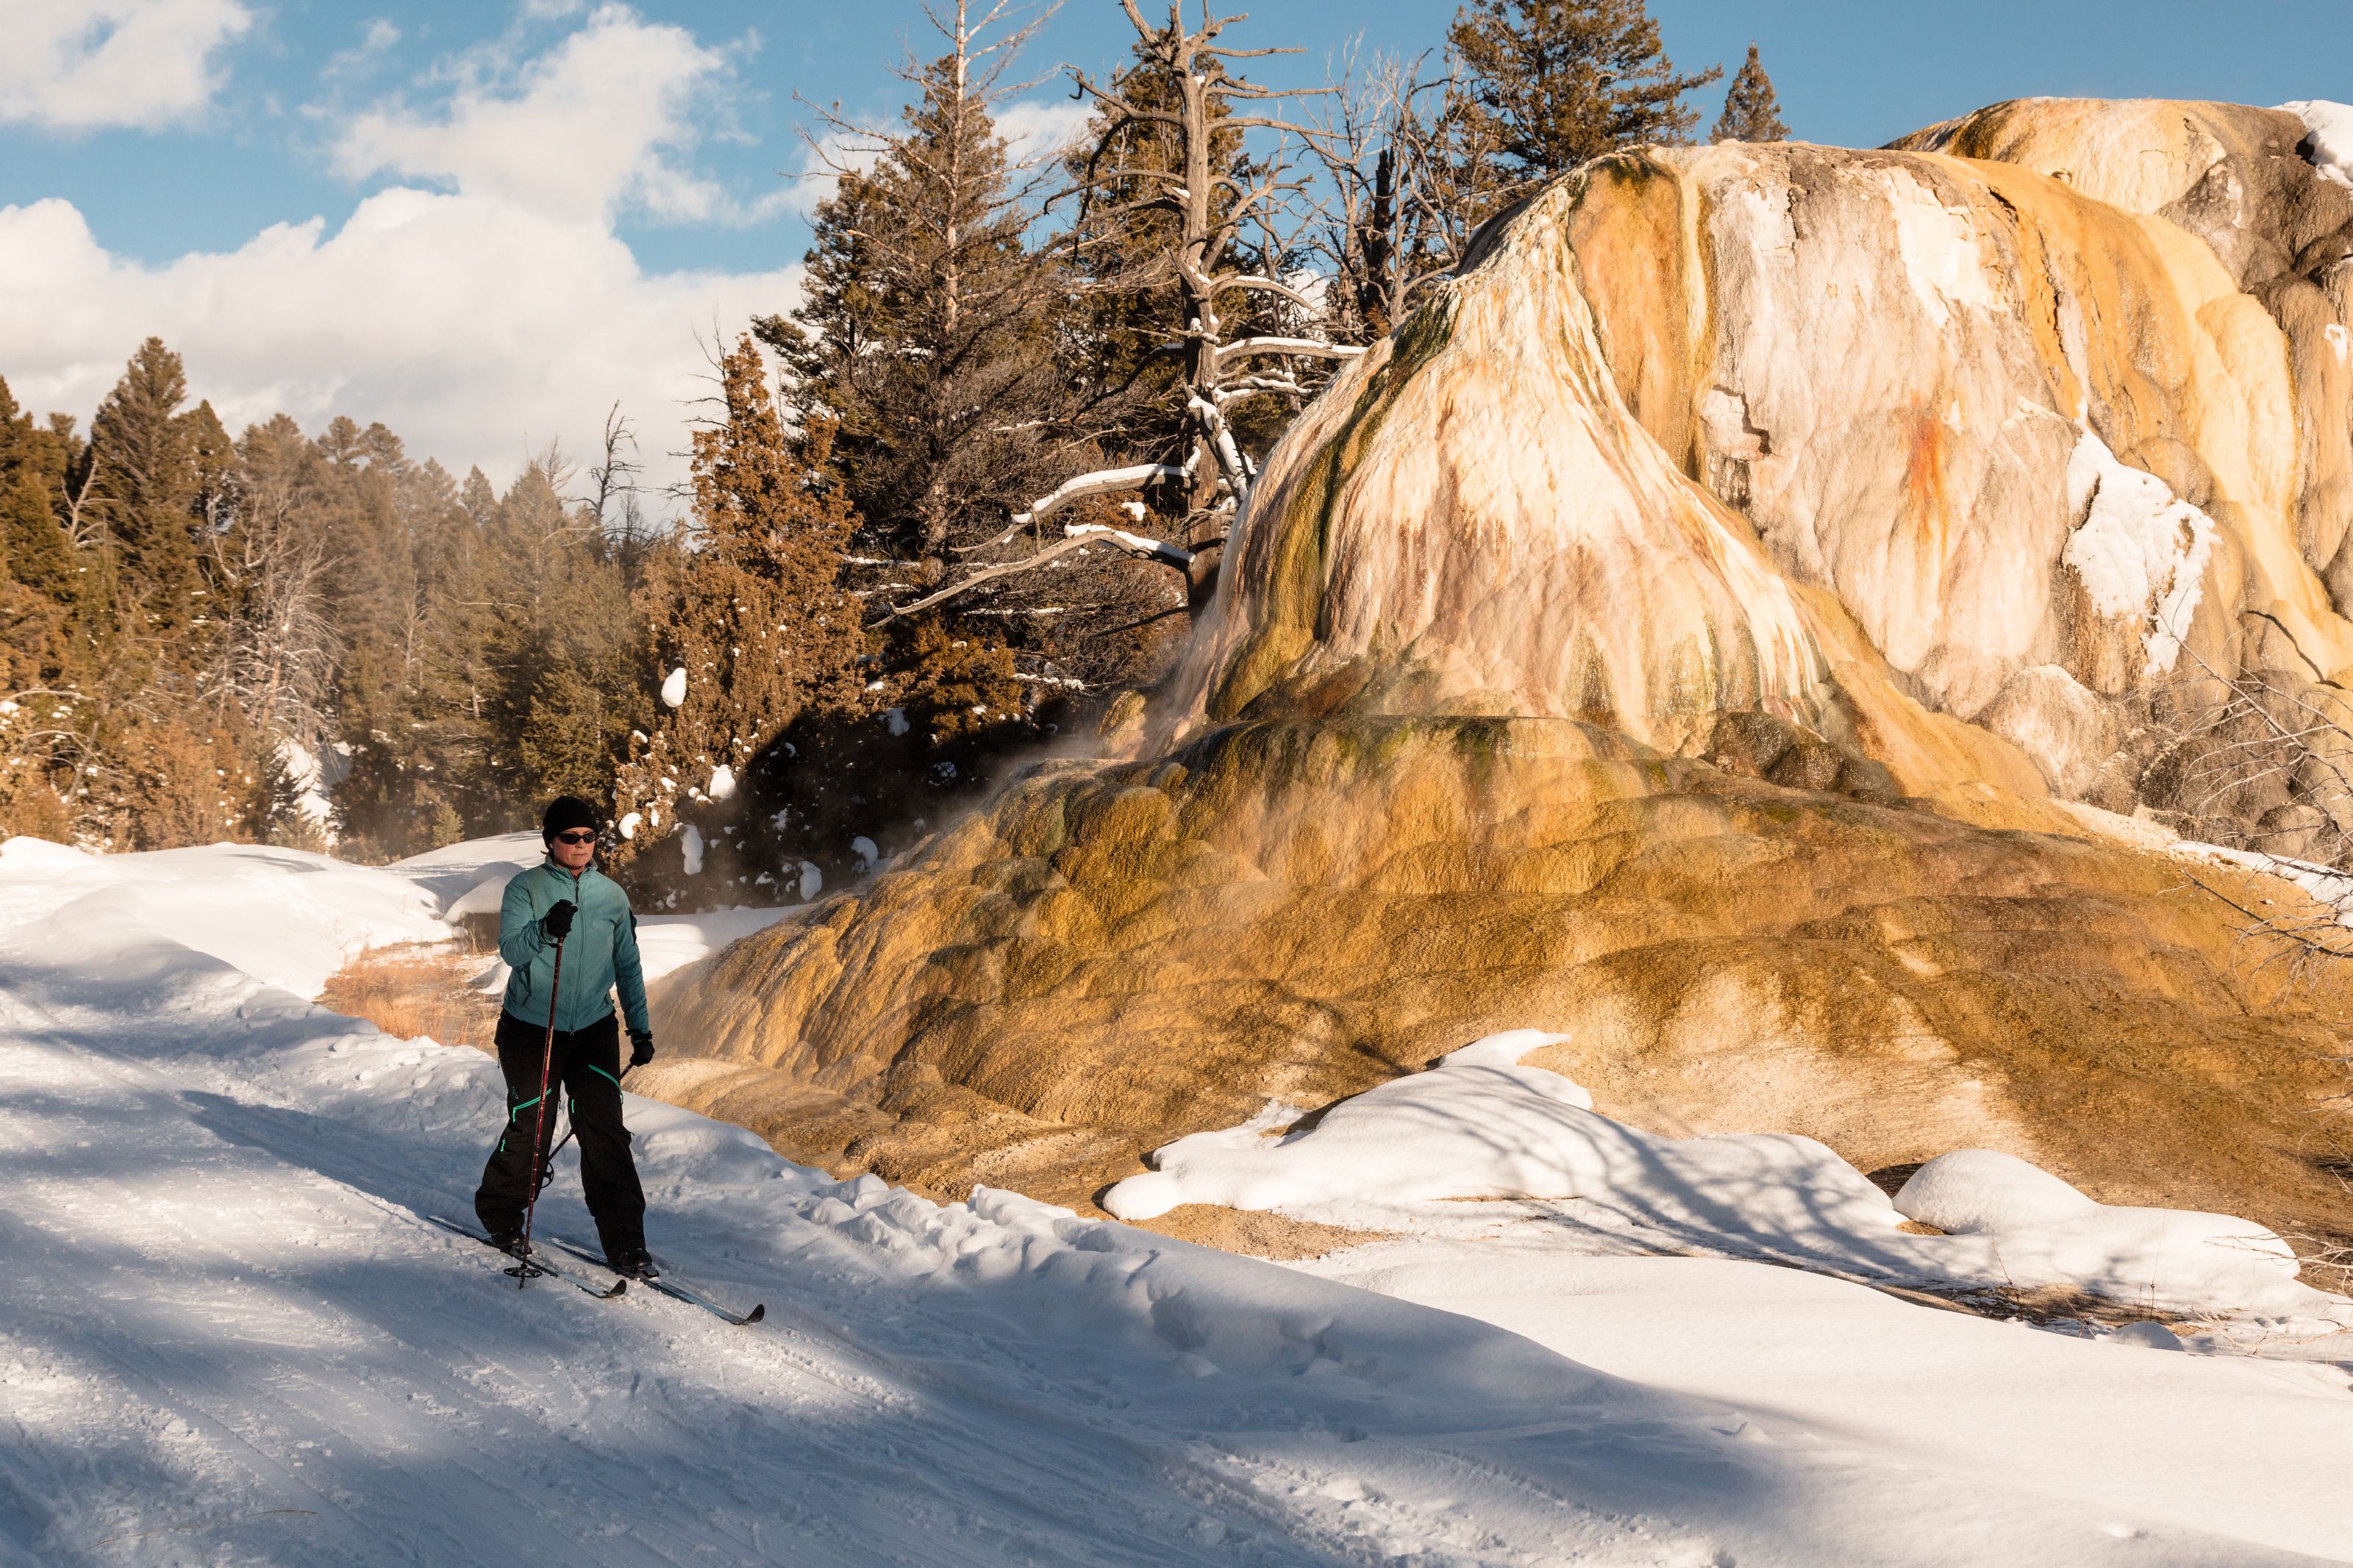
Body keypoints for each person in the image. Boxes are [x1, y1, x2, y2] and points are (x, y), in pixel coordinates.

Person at [474, 795, 660, 1278]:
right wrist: (544, 929)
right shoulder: (525, 888)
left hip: (594, 1028)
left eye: (589, 836)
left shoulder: (612, 897)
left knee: (605, 1130)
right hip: (531, 1027)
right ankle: (501, 1214)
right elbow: (513, 951)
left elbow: (628, 966)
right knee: (533, 1121)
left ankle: (627, 1244)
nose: (581, 845)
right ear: (550, 841)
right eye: (570, 837)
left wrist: (639, 1028)